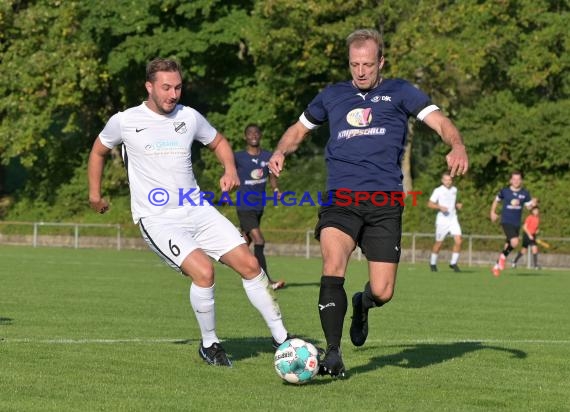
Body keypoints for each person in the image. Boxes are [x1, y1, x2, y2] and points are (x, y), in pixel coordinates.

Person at [268, 29, 468, 378]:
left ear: (381, 62)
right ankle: (332, 353)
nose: (360, 72)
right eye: (354, 64)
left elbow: (441, 123)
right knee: (333, 263)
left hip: (384, 202)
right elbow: (298, 130)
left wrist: (457, 144)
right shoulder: (332, 95)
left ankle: (363, 304)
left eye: (367, 64)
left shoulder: (401, 92)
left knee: (383, 290)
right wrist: (281, 151)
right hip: (341, 198)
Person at [88, 58, 293, 368]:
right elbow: (98, 150)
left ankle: (282, 339)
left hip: (197, 208)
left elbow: (219, 141)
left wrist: (229, 168)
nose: (173, 94)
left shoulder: (190, 116)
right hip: (157, 218)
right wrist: (94, 194)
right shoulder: (125, 120)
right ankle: (210, 344)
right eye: (166, 87)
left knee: (251, 264)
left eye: (178, 87)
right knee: (204, 272)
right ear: (149, 87)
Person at [234, 124, 286, 290]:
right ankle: (266, 281)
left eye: (256, 132)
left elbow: (271, 176)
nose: (254, 135)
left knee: (244, 242)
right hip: (244, 205)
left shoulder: (267, 156)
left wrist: (276, 189)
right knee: (259, 240)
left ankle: (224, 257)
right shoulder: (238, 157)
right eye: (250, 133)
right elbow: (228, 171)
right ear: (245, 137)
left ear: (260, 135)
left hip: (259, 205)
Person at [490, 171, 537, 277]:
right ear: (510, 180)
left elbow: (529, 207)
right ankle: (502, 258)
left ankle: (496, 266)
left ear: (521, 181)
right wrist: (492, 212)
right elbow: (496, 201)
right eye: (514, 179)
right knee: (515, 242)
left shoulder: (525, 193)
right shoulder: (504, 191)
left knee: (508, 245)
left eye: (518, 179)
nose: (516, 181)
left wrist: (532, 204)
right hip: (506, 221)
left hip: (516, 223)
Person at [427, 172, 463, 272]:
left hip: (453, 219)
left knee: (459, 240)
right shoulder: (438, 190)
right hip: (442, 220)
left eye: (449, 180)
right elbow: (430, 204)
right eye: (446, 180)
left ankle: (453, 263)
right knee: (439, 243)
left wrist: (457, 206)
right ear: (442, 181)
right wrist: (439, 207)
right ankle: (433, 263)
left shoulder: (454, 190)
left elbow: (452, 203)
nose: (448, 182)